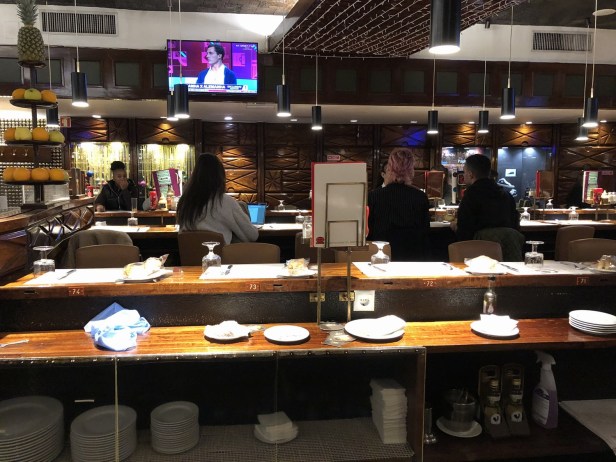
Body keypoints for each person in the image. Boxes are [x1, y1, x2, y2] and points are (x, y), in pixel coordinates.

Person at [176, 153, 258, 244]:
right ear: (220, 176)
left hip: (190, 253)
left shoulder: (185, 202)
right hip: (218, 253)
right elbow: (252, 235)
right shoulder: (225, 202)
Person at [367, 148, 431, 261]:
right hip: (412, 255)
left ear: (389, 169)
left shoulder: (374, 196)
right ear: (411, 170)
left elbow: (369, 231)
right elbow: (425, 232)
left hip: (381, 255)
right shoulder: (420, 196)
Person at [454, 154, 520, 241]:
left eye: (464, 172)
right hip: (507, 248)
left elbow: (464, 231)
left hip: (479, 247)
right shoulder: (507, 195)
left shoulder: (471, 196)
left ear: (470, 174)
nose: (463, 175)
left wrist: (455, 227)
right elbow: (515, 226)